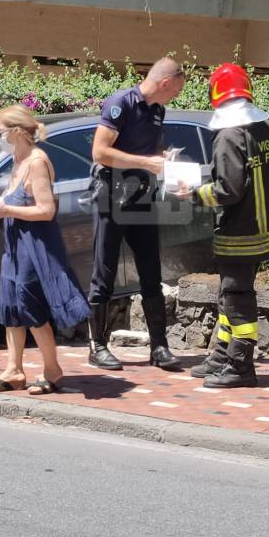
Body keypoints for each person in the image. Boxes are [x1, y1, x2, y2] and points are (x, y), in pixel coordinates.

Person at [175, 63, 269, 388]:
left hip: (239, 234)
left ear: (216, 93)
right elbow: (267, 174)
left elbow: (228, 190)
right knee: (227, 295)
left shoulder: (228, 134)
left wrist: (193, 193)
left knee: (236, 298)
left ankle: (241, 366)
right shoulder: (263, 127)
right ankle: (221, 356)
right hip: (263, 229)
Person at [0, 104, 91, 395]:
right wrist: (1, 206)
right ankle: (14, 370)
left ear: (17, 132)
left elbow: (46, 210)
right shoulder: (17, 160)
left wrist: (5, 209)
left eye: (0, 132)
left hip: (35, 246)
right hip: (14, 246)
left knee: (31, 307)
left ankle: (53, 370)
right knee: (12, 307)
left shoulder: (37, 161)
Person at [87, 58, 187, 371]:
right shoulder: (121, 103)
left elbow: (152, 154)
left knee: (151, 273)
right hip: (112, 194)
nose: (177, 96)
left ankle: (159, 347)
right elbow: (100, 152)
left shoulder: (158, 110)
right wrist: (147, 163)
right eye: (177, 90)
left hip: (142, 196)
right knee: (104, 273)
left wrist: (168, 165)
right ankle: (97, 347)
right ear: (166, 82)